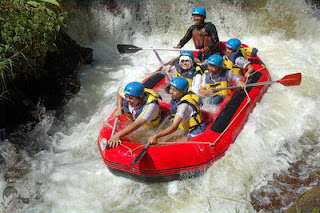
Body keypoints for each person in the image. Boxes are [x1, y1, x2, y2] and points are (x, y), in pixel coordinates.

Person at [148, 77, 205, 144]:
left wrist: (156, 136)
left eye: (174, 90)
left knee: (168, 143)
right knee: (168, 140)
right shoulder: (176, 100)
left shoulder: (183, 105)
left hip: (195, 131)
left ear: (182, 92)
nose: (171, 92)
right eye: (171, 88)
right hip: (187, 128)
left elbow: (174, 127)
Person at [108, 82, 162, 148]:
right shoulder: (130, 94)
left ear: (140, 97)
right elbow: (119, 90)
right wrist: (119, 108)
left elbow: (136, 124)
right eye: (126, 97)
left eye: (131, 98)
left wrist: (117, 136)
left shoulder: (151, 106)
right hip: (135, 118)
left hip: (149, 125)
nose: (127, 100)